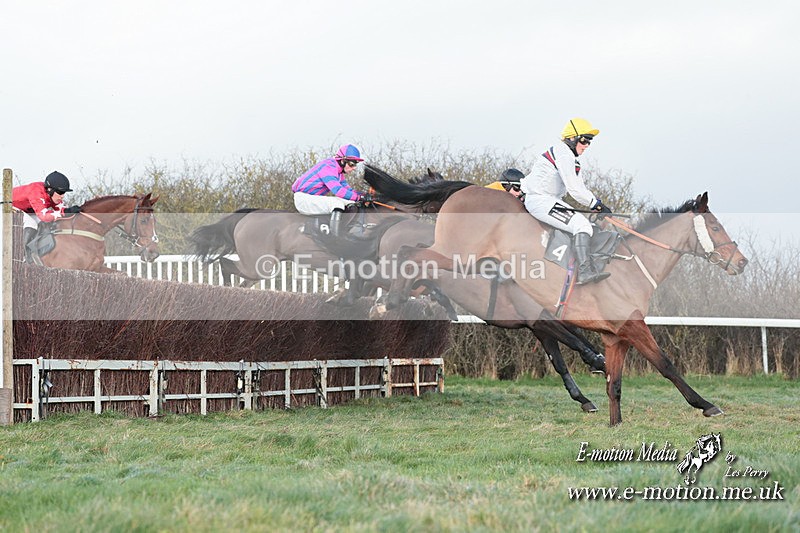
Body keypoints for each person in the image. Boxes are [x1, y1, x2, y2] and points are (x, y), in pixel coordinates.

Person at [521, 118, 612, 284]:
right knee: (582, 226)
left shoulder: (570, 157)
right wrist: (596, 204)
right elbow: (575, 190)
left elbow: (580, 188)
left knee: (588, 227)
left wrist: (597, 205)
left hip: (548, 200)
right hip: (541, 201)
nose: (586, 146)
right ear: (572, 138)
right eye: (584, 140)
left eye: (589, 142)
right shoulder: (563, 154)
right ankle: (584, 272)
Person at [291, 144, 370, 237]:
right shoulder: (328, 167)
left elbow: (348, 190)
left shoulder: (339, 173)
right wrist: (359, 197)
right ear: (342, 161)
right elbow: (338, 191)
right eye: (352, 164)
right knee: (337, 203)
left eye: (355, 165)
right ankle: (334, 238)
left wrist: (364, 195)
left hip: (311, 198)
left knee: (350, 201)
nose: (354, 168)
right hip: (303, 199)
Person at [12, 171, 79, 262]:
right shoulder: (36, 192)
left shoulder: (52, 196)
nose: (62, 196)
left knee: (42, 224)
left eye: (63, 192)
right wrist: (64, 213)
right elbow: (44, 216)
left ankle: (34, 252)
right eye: (60, 192)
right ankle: (20, 255)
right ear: (50, 190)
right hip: (7, 206)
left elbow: (60, 210)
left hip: (25, 209)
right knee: (32, 223)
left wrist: (70, 211)